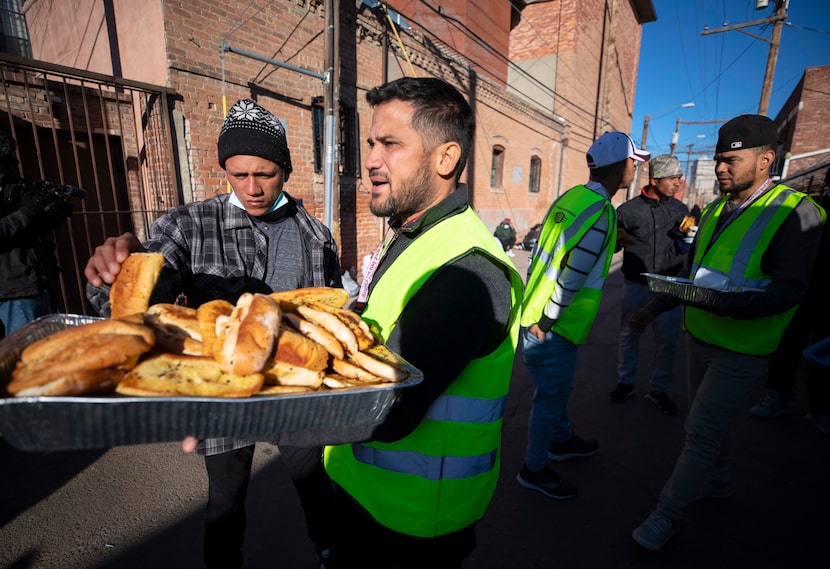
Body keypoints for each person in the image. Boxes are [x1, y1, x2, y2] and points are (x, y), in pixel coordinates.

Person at [85, 98, 341, 568]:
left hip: (294, 386)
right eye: (238, 174)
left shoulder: (315, 235)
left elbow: (328, 311)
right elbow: (144, 289)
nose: (252, 188)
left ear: (284, 169)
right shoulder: (189, 226)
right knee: (226, 499)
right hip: (222, 395)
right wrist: (122, 269)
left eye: (264, 173)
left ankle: (330, 553)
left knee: (313, 481)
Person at [322, 77, 523, 568]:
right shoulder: (414, 232)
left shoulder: (465, 270)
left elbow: (385, 411)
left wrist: (247, 402)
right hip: (366, 495)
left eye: (390, 144)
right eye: (371, 142)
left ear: (445, 159)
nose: (370, 159)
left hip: (410, 527)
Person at [630, 114, 825, 551]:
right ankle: (717, 482)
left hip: (743, 349)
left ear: (766, 159)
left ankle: (666, 513)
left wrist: (725, 305)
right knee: (709, 427)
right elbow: (690, 274)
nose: (720, 167)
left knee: (699, 430)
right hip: (698, 337)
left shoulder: (798, 211)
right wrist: (654, 305)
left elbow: (791, 292)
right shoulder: (717, 209)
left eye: (730, 160)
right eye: (718, 159)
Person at [517, 131, 649, 499]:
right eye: (632, 163)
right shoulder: (602, 212)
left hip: (537, 314)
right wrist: (547, 324)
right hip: (554, 326)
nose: (634, 170)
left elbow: (552, 254)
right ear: (620, 166)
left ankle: (561, 441)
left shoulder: (573, 197)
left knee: (555, 392)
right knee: (550, 398)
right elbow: (571, 277)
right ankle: (534, 467)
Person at [749, 166, 830, 432]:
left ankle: (820, 407)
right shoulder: (810, 210)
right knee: (788, 344)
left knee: (824, 353)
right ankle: (777, 395)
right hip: (799, 293)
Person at [609, 154, 691, 416]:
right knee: (629, 334)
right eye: (673, 177)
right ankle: (626, 383)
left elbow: (685, 245)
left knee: (667, 341)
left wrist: (685, 236)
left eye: (679, 177)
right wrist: (617, 239)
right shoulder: (628, 211)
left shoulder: (680, 210)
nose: (678, 182)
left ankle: (659, 389)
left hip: (669, 287)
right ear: (655, 179)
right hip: (636, 285)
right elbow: (612, 246)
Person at [0, 129, 73, 338]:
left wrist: (51, 214)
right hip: (15, 292)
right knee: (29, 357)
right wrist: (30, 211)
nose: (9, 171)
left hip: (40, 282)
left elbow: (28, 230)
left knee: (52, 350)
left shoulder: (14, 189)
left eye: (11, 164)